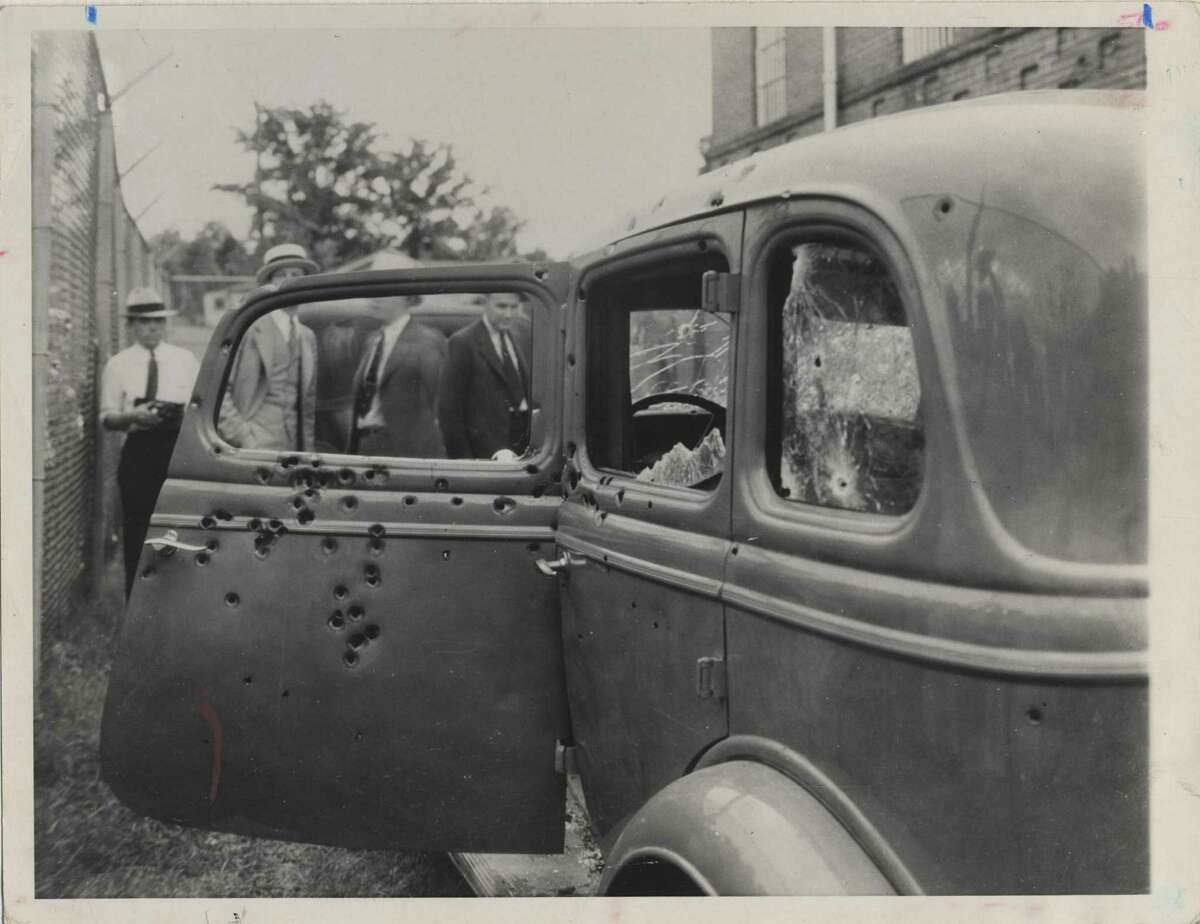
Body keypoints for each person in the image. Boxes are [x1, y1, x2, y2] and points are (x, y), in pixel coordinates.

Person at [100, 287, 200, 598]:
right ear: (131, 325)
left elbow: (201, 407)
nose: (153, 328)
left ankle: (176, 603)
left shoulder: (185, 360)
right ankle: (135, 605)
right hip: (138, 453)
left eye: (158, 321)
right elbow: (106, 417)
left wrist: (181, 415)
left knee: (178, 531)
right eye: (144, 322)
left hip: (178, 453)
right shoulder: (118, 364)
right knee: (137, 532)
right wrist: (132, 416)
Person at [218, 243, 318, 451]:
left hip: (294, 448)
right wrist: (243, 437)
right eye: (281, 275)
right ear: (269, 284)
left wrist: (307, 450)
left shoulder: (308, 336)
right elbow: (218, 390)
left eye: (296, 274)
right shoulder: (249, 328)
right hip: (255, 444)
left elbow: (308, 405)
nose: (290, 281)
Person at [347, 295, 448, 458]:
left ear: (407, 299)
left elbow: (440, 402)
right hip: (365, 445)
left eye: (386, 293)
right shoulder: (372, 340)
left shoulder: (426, 341)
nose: (375, 298)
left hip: (403, 451)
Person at [438, 292, 532, 459]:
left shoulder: (519, 335)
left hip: (522, 447)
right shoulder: (462, 342)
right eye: (501, 306)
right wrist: (465, 463)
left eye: (514, 307)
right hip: (484, 452)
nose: (508, 314)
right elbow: (449, 411)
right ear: (485, 303)